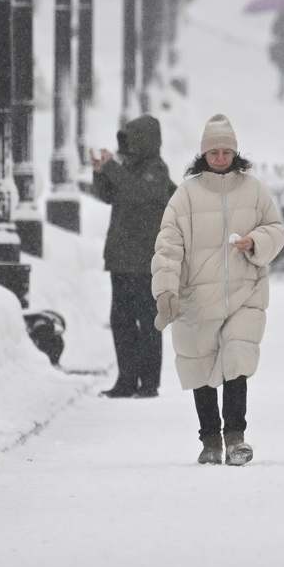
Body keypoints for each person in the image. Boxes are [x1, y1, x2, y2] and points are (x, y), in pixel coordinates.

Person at [151, 114, 284, 466]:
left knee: (236, 361)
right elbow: (168, 247)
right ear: (204, 155)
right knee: (202, 366)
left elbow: (276, 229)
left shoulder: (254, 190)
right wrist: (166, 290)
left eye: (227, 151)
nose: (221, 158)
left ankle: (236, 438)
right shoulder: (186, 196)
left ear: (235, 152)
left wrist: (254, 242)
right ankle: (210, 438)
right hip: (197, 298)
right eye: (215, 152)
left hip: (244, 294)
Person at [91, 115, 178, 398]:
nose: (127, 145)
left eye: (131, 139)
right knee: (121, 320)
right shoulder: (128, 168)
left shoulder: (156, 171)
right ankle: (126, 380)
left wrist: (113, 169)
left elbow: (137, 193)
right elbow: (109, 195)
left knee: (148, 320)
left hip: (145, 261)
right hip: (121, 258)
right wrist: (100, 172)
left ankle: (149, 383)